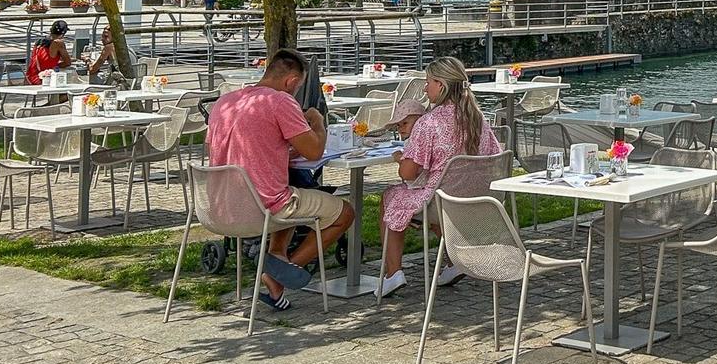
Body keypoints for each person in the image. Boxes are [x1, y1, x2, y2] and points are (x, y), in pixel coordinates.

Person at [206, 48, 355, 312]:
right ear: (292, 82)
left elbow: (240, 149)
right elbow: (314, 151)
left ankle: (277, 256)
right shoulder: (280, 102)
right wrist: (318, 123)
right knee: (345, 212)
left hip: (218, 207)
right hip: (262, 208)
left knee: (290, 186)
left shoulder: (225, 102)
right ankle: (280, 274)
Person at [376, 56, 503, 298]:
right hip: (480, 198)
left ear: (441, 85)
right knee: (435, 193)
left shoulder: (430, 123)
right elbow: (493, 156)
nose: (425, 88)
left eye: (428, 82)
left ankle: (393, 273)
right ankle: (455, 261)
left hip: (442, 201)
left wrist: (400, 158)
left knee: (391, 197)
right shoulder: (478, 118)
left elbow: (408, 173)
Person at [25, 20, 73, 85]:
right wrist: (55, 67)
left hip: (30, 77)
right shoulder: (58, 43)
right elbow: (68, 63)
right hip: (44, 78)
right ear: (62, 34)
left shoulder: (39, 42)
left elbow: (46, 59)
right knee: (65, 83)